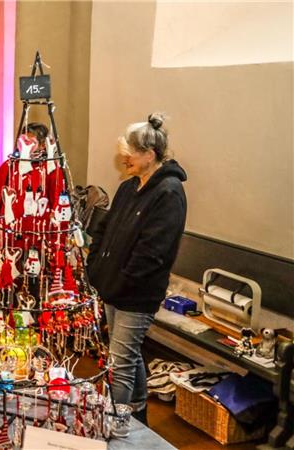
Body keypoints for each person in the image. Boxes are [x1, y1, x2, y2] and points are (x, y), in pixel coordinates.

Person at [87, 113, 187, 425]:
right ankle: (138, 410)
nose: (125, 158)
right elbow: (105, 229)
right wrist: (95, 266)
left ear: (150, 154)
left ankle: (115, 422)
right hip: (113, 286)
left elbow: (152, 253)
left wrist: (120, 282)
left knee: (119, 362)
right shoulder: (130, 187)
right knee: (128, 354)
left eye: (130, 152)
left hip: (136, 293)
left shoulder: (169, 193)